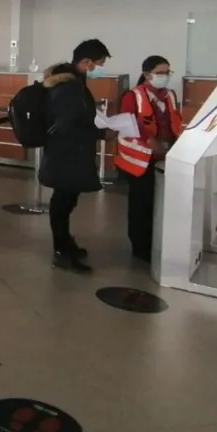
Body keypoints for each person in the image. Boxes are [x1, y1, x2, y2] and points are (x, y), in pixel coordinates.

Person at [39, 39, 113, 274]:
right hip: (67, 156)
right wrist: (101, 133)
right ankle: (61, 251)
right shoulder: (70, 87)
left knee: (66, 201)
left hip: (69, 154)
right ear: (85, 62)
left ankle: (66, 244)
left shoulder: (73, 83)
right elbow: (67, 125)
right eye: (99, 63)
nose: (100, 68)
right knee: (62, 203)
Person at [115, 55, 182, 263]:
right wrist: (149, 141)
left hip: (165, 157)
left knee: (160, 204)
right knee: (141, 204)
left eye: (167, 72)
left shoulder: (169, 95)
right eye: (160, 73)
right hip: (140, 160)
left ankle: (158, 243)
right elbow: (127, 126)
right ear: (146, 74)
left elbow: (174, 123)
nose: (165, 77)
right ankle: (140, 247)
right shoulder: (132, 96)